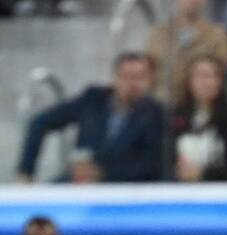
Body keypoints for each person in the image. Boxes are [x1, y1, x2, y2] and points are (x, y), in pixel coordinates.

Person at [16, 53, 165, 183]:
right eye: (126, 77)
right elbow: (40, 123)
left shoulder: (156, 114)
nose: (133, 84)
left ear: (149, 80)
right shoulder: (93, 99)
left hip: (123, 190)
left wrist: (101, 173)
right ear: (115, 77)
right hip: (76, 183)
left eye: (139, 77)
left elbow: (151, 165)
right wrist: (26, 172)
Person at [171, 55, 227, 182]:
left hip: (220, 191)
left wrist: (204, 174)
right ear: (189, 81)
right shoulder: (175, 115)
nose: (207, 82)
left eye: (213, 76)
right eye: (201, 76)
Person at [146, 0, 227, 106]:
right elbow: (148, 72)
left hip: (197, 109)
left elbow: (222, 75)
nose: (192, 1)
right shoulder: (158, 34)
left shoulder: (217, 36)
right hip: (161, 106)